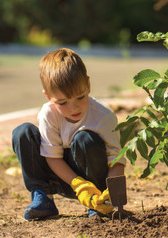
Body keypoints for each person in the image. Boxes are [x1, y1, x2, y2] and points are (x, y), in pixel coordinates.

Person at [12, 48, 126, 220]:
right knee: (23, 132)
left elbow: (116, 160)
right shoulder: (48, 114)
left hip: (93, 183)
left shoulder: (103, 117)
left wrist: (112, 191)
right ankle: (43, 198)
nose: (74, 108)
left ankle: (97, 204)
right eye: (63, 102)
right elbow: (53, 157)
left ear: (88, 85)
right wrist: (78, 185)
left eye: (80, 97)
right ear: (48, 97)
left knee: (85, 139)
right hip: (62, 179)